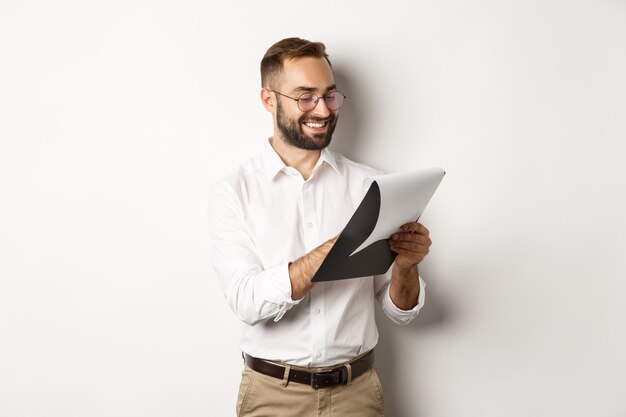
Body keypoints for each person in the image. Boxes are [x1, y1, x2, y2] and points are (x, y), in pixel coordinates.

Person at [208, 37, 432, 417]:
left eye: (330, 95)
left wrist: (407, 267)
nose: (323, 109)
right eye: (305, 96)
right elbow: (246, 301)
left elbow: (401, 312)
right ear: (269, 100)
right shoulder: (234, 192)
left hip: (357, 395)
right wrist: (329, 255)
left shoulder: (371, 187)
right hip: (272, 396)